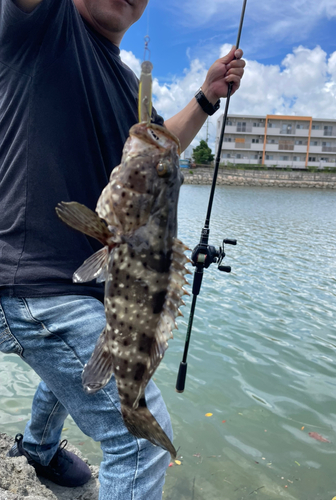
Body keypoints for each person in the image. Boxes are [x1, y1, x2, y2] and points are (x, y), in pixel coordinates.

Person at [0, 0, 245, 498]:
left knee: (81, 364)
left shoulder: (128, 85)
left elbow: (160, 146)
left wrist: (205, 97)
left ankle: (38, 450)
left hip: (83, 283)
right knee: (143, 444)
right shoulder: (41, 21)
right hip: (27, 284)